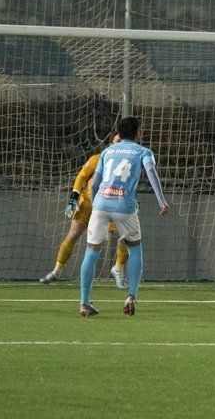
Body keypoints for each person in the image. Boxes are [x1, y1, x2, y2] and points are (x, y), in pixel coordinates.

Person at [79, 117, 169, 317]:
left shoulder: (107, 151)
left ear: (118, 134)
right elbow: (151, 172)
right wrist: (162, 201)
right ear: (138, 132)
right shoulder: (143, 152)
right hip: (124, 206)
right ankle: (131, 296)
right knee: (134, 248)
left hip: (101, 203)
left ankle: (84, 303)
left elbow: (94, 184)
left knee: (91, 252)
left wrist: (96, 206)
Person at [40, 135, 130, 287]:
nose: (120, 145)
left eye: (123, 142)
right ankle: (56, 271)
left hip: (114, 205)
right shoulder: (98, 159)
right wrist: (74, 196)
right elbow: (82, 176)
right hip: (88, 204)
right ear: (110, 144)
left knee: (127, 237)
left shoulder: (128, 163)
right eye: (117, 141)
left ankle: (118, 269)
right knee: (73, 234)